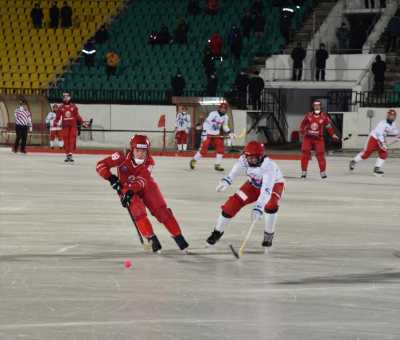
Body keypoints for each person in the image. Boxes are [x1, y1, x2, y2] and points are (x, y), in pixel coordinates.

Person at [96, 135, 190, 253]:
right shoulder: (121, 156)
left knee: (162, 211)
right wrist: (111, 178)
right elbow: (100, 165)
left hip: (145, 186)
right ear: (132, 149)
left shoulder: (150, 162)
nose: (140, 154)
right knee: (138, 211)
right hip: (125, 188)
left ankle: (178, 237)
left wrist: (129, 191)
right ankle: (152, 239)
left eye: (143, 151)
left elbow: (142, 180)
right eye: (137, 151)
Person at [206, 141, 285, 250]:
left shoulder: (269, 166)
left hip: (273, 186)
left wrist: (258, 208)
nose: (251, 160)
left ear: (261, 156)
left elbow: (266, 190)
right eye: (249, 157)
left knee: (270, 205)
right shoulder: (244, 159)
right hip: (252, 185)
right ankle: (217, 232)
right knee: (231, 205)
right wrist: (227, 180)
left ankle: (268, 234)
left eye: (254, 158)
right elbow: (235, 170)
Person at [349, 109, 399, 176]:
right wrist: (383, 143)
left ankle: (376, 169)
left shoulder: (393, 124)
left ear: (395, 117)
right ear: (387, 116)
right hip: (373, 138)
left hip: (381, 140)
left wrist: (398, 134)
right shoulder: (382, 123)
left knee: (384, 153)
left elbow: (395, 132)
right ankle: (353, 161)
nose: (391, 117)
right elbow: (379, 134)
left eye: (393, 116)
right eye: (390, 115)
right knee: (366, 154)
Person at [299, 100, 339, 179]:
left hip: (318, 138)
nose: (317, 107)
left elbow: (329, 127)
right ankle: (304, 172)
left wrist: (333, 134)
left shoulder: (324, 117)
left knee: (320, 154)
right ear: (313, 107)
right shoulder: (308, 115)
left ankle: (323, 172)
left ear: (320, 107)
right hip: (308, 138)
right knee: (305, 153)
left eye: (318, 105)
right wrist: (302, 131)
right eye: (315, 105)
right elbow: (302, 125)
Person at [190, 102, 232, 171]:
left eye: (225, 108)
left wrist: (229, 133)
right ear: (219, 108)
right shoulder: (213, 114)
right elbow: (206, 123)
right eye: (222, 108)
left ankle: (217, 165)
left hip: (216, 134)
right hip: (208, 133)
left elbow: (225, 126)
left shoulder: (225, 117)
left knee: (220, 149)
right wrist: (205, 133)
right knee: (203, 149)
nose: (223, 110)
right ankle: (194, 160)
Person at [53, 92, 87, 162]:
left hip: (73, 126)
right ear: (63, 98)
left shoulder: (74, 106)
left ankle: (70, 154)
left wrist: (83, 123)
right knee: (65, 140)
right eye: (64, 96)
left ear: (70, 97)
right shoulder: (60, 107)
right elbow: (57, 117)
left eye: (67, 96)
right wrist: (55, 124)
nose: (65, 98)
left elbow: (77, 116)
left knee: (72, 140)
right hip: (65, 126)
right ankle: (67, 154)